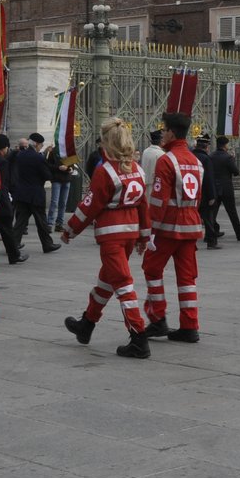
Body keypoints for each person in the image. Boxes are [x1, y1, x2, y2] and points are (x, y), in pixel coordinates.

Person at [60, 117, 151, 355]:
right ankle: (87, 324)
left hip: (111, 234)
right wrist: (143, 235)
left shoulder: (105, 171)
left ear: (106, 142)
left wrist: (70, 229)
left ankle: (138, 337)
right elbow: (143, 205)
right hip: (130, 233)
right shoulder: (138, 170)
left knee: (122, 283)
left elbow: (90, 206)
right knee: (106, 281)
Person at [140, 111, 204, 351]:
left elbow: (158, 201)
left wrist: (149, 231)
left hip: (167, 228)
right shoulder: (196, 161)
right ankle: (190, 325)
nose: (162, 134)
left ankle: (157, 318)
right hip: (191, 226)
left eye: (164, 130)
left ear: (171, 132)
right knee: (187, 278)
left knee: (152, 268)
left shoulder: (166, 161)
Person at [10, 133, 60, 253]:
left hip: (22, 193)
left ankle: (13, 244)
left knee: (20, 222)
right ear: (37, 144)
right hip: (36, 194)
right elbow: (46, 175)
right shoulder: (38, 157)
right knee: (41, 221)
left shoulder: (20, 155)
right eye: (41, 145)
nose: (41, 147)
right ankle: (47, 245)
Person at [0, 134, 27, 265]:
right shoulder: (2, 162)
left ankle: (14, 254)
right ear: (3, 148)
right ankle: (14, 255)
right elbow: (2, 184)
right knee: (7, 229)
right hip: (0, 201)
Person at [209, 136, 240, 240]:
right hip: (226, 188)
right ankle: (239, 232)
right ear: (225, 145)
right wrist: (232, 159)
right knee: (232, 211)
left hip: (214, 188)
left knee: (213, 212)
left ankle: (210, 233)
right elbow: (236, 172)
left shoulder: (211, 156)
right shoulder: (227, 157)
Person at [192, 134, 222, 248]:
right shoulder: (206, 158)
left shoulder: (190, 156)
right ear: (206, 147)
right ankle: (211, 241)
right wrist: (212, 196)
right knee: (208, 219)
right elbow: (209, 178)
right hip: (204, 193)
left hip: (191, 192)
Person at [45, 140, 74, 231]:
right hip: (56, 179)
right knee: (54, 202)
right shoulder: (53, 152)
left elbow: (73, 165)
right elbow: (48, 165)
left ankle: (59, 223)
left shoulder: (69, 152)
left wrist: (68, 168)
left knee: (63, 203)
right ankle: (50, 223)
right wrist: (58, 167)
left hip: (66, 179)